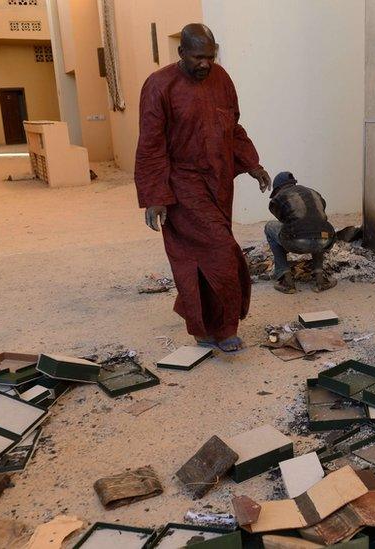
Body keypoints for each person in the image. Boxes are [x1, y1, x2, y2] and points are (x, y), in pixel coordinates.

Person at [134, 23, 271, 353]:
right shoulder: (159, 85)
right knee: (222, 252)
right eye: (197, 57)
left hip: (219, 183)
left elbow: (232, 127)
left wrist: (252, 163)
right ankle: (224, 328)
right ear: (181, 52)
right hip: (182, 186)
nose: (205, 64)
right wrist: (155, 196)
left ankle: (204, 325)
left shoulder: (221, 79)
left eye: (210, 56)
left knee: (201, 257)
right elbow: (151, 145)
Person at [264, 172, 337, 293]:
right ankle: (320, 279)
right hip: (326, 239)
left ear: (277, 188)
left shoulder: (278, 198)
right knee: (317, 228)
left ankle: (285, 278)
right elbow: (320, 214)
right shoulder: (314, 192)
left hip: (296, 240)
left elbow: (283, 221)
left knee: (269, 227)